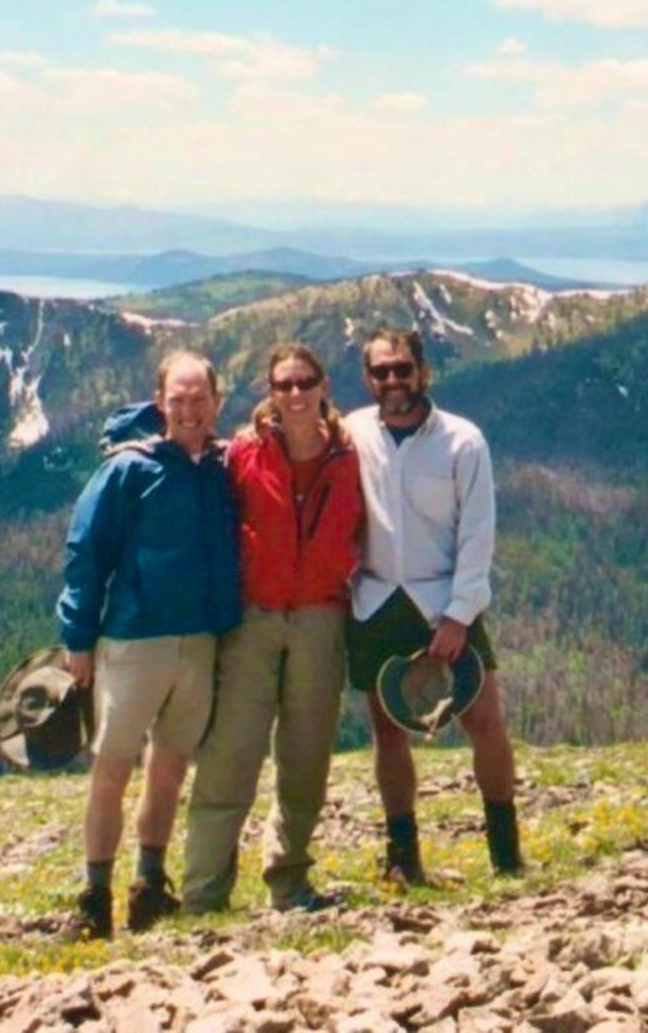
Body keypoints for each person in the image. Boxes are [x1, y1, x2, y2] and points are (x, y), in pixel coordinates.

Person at [57, 350, 241, 941]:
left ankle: (149, 885)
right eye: (177, 401)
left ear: (217, 402)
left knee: (169, 768)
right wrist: (78, 639)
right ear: (160, 404)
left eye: (199, 400)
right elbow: (87, 554)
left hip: (201, 640)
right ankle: (93, 896)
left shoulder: (221, 466)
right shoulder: (127, 470)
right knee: (112, 769)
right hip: (133, 641)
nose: (189, 411)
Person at [183, 344, 364, 914]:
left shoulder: (352, 456)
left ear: (323, 384)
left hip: (320, 617)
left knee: (306, 756)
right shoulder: (244, 451)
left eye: (303, 382)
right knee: (231, 753)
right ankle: (204, 893)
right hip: (254, 618)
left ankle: (288, 881)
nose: (294, 394)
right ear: (270, 390)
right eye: (282, 384)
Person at [343, 327, 523, 884]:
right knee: (388, 732)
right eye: (381, 371)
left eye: (403, 369)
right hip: (374, 600)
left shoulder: (462, 441)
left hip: (444, 597)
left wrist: (459, 614)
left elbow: (478, 531)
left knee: (485, 721)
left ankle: (506, 853)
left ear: (424, 372)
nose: (393, 380)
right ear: (367, 379)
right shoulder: (350, 433)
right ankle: (403, 860)